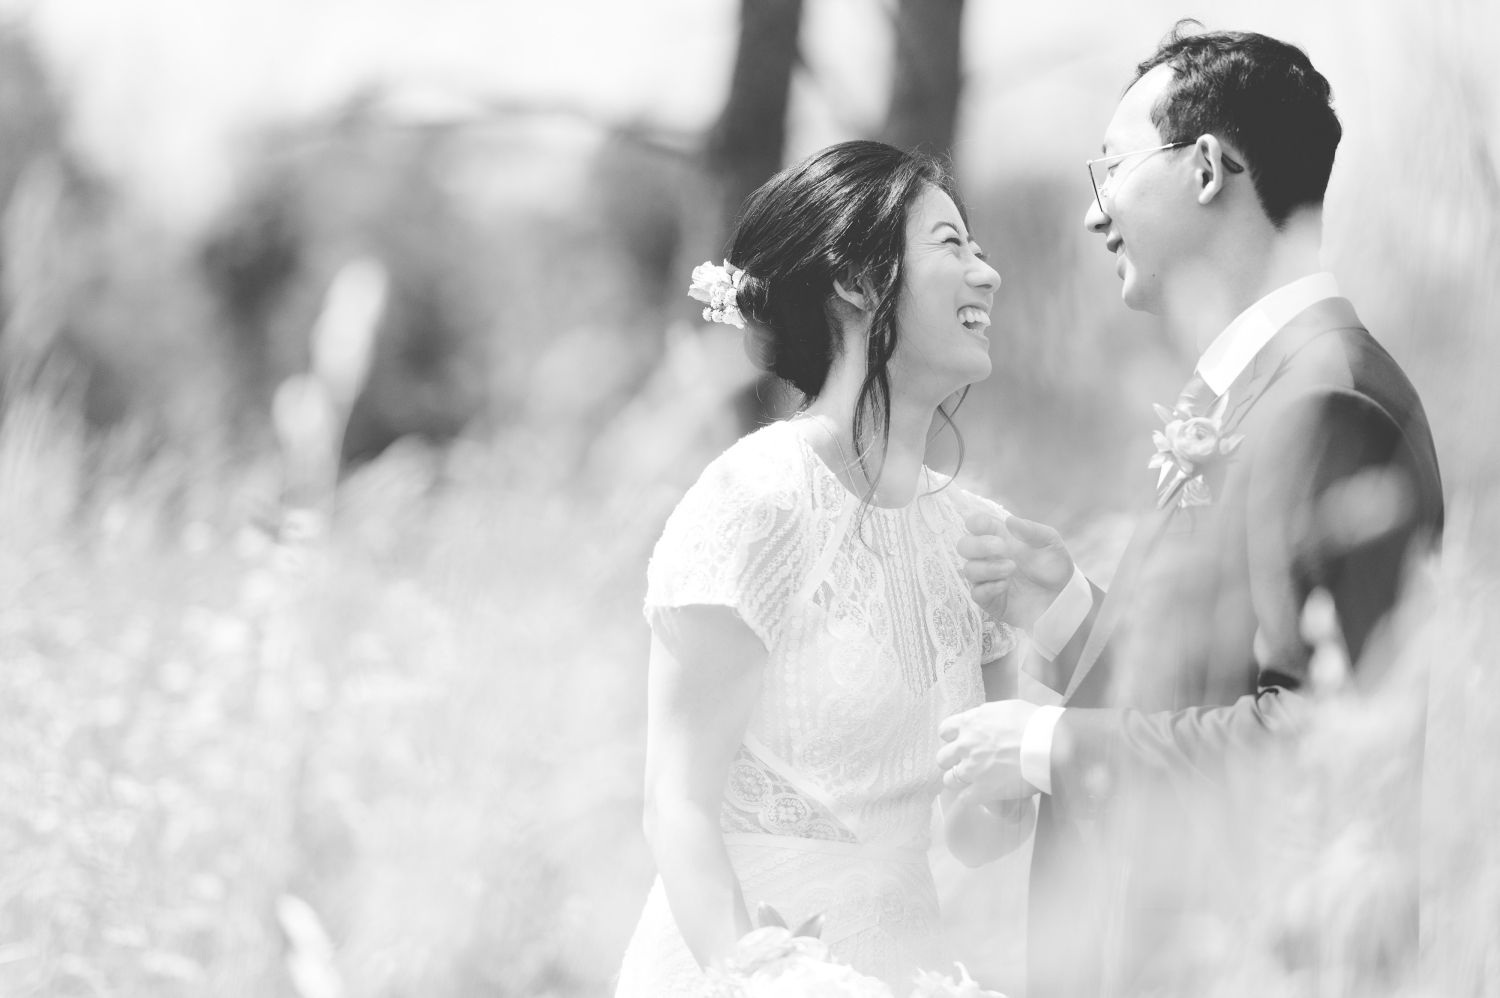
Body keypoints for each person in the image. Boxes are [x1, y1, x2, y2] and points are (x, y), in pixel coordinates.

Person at [937, 24, 1444, 998]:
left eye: (1113, 169)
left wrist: (1044, 742)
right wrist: (1080, 610)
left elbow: (1315, 739)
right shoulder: (1254, 390)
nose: (1095, 216)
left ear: (1207, 166)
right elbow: (1228, 671)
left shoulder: (1325, 397)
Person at [614, 140, 1034, 997]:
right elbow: (676, 806)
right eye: (951, 245)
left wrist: (1031, 707)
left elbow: (976, 833)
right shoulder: (755, 503)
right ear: (856, 279)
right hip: (742, 964)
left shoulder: (977, 535)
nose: (986, 274)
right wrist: (767, 979)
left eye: (979, 248)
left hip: (909, 967)